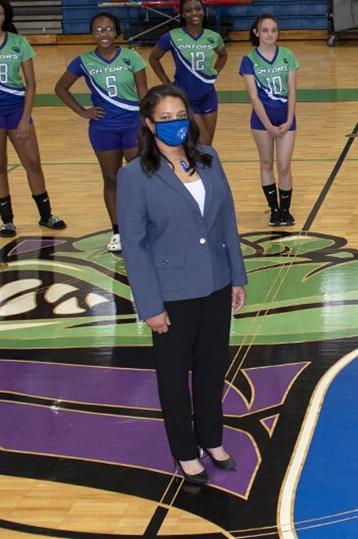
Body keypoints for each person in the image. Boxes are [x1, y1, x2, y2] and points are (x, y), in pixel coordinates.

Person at [118, 84, 248, 485]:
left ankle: (212, 439)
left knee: (211, 369)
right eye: (166, 119)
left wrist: (237, 276)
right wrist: (150, 305)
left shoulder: (209, 158)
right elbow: (135, 247)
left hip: (215, 282)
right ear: (149, 124)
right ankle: (184, 451)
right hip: (171, 293)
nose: (176, 125)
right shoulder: (133, 175)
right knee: (174, 377)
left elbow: (226, 220)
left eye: (181, 116)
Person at [0, 0, 67, 237]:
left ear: (5, 16)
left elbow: (31, 83)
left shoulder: (19, 42)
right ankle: (7, 221)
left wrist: (24, 118)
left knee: (33, 163)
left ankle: (46, 215)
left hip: (17, 110)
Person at [54, 12, 149, 252]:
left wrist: (146, 120)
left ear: (116, 32)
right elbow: (61, 87)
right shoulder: (83, 61)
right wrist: (82, 112)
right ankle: (117, 231)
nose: (103, 34)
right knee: (111, 179)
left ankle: (144, 225)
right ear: (92, 33)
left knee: (139, 177)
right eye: (98, 29)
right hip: (103, 128)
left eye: (108, 29)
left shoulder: (132, 57)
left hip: (131, 125)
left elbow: (143, 92)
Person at [238, 13, 300, 226]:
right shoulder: (249, 60)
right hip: (261, 121)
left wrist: (289, 119)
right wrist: (268, 126)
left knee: (284, 165)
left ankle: (286, 210)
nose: (270, 34)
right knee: (266, 162)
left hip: (286, 118)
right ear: (256, 32)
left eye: (273, 30)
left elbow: (292, 91)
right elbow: (254, 97)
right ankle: (274, 210)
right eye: (265, 30)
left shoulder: (287, 56)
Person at [149, 0, 226, 147]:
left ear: (203, 11)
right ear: (183, 14)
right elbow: (154, 58)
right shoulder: (172, 36)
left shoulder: (213, 37)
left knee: (207, 145)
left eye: (198, 9)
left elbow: (223, 55)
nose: (194, 13)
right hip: (185, 97)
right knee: (202, 142)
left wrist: (215, 72)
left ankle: (197, 171)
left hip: (209, 96)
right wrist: (166, 82)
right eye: (189, 11)